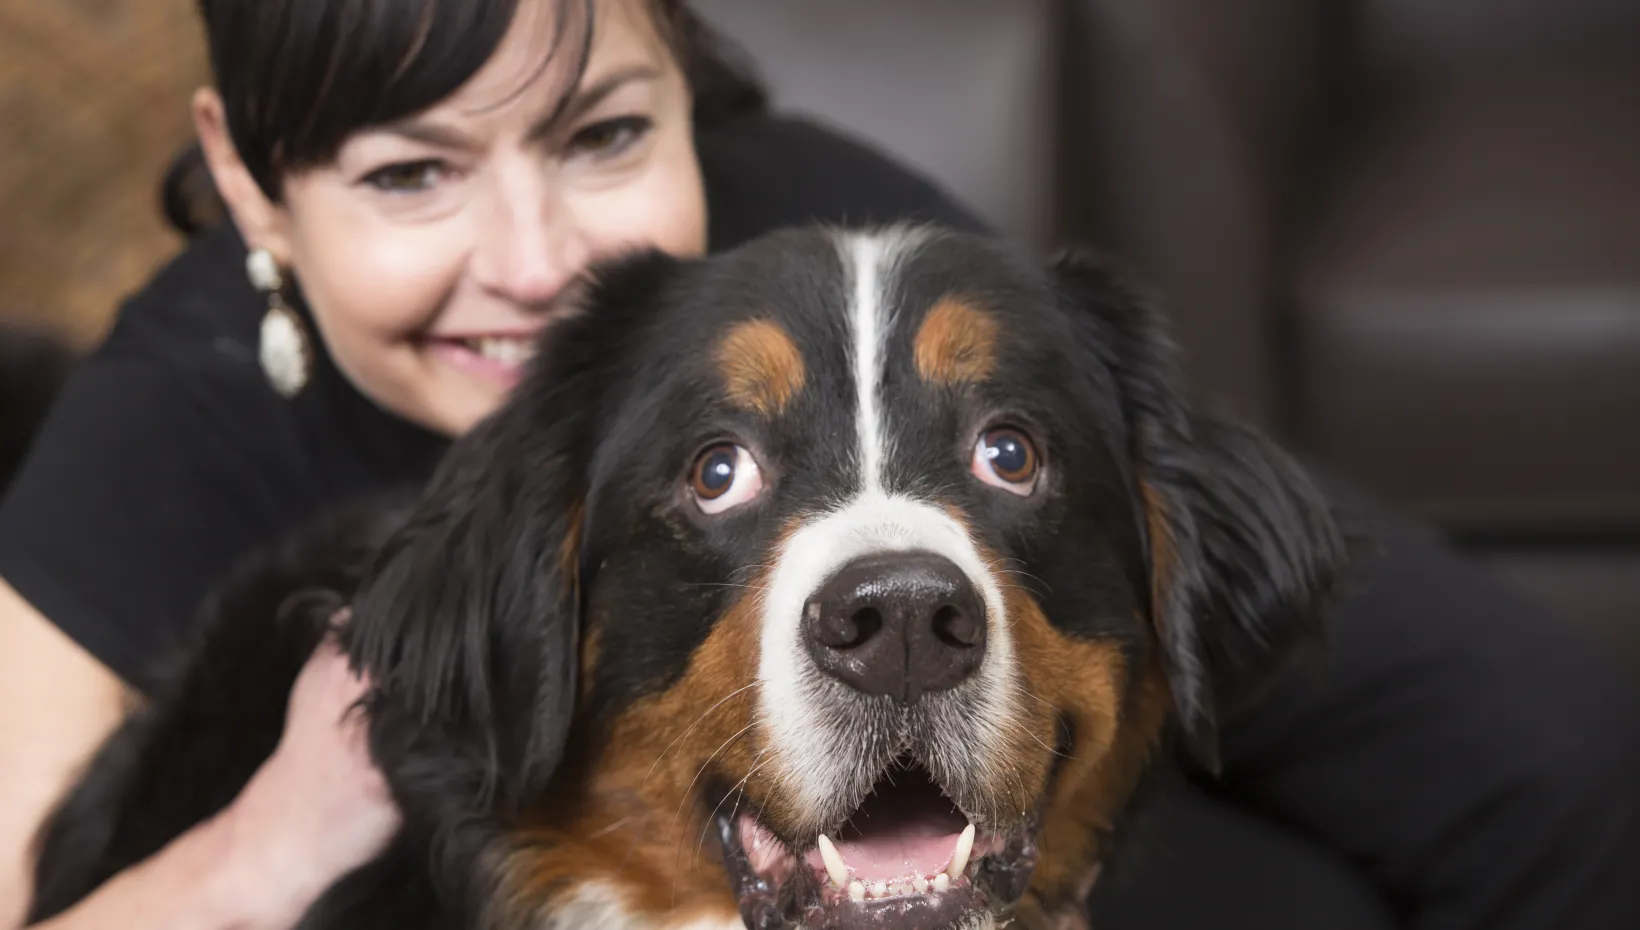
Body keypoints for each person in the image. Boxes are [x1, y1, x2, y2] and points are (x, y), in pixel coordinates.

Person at [1, 1, 1636, 928]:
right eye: (414, 173)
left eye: (602, 132)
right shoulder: (162, 425)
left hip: (999, 752)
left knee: (1530, 766)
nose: (537, 257)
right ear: (251, 181)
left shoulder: (866, 242)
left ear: (683, 78)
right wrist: (278, 832)